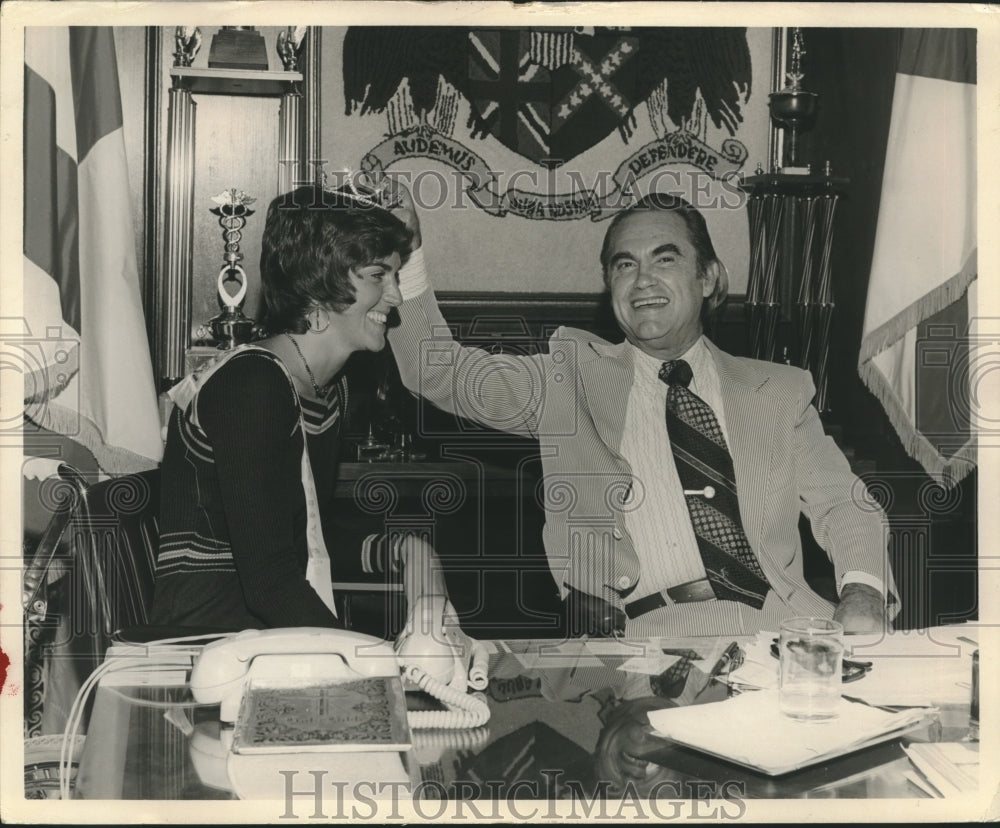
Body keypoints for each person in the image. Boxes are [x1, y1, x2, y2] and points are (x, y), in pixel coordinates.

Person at [386, 188, 898, 637]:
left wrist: (864, 593)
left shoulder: (779, 391)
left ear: (709, 278)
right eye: (624, 264)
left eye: (665, 259)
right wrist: (406, 256)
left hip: (782, 633)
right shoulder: (567, 380)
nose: (642, 279)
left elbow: (844, 504)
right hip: (642, 648)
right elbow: (439, 372)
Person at [150, 184, 448, 633]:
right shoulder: (252, 386)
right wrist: (373, 661)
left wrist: (405, 550)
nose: (396, 297)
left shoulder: (328, 389)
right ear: (319, 282)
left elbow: (303, 543)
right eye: (377, 275)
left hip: (263, 642)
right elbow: (270, 583)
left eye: (396, 276)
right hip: (205, 649)